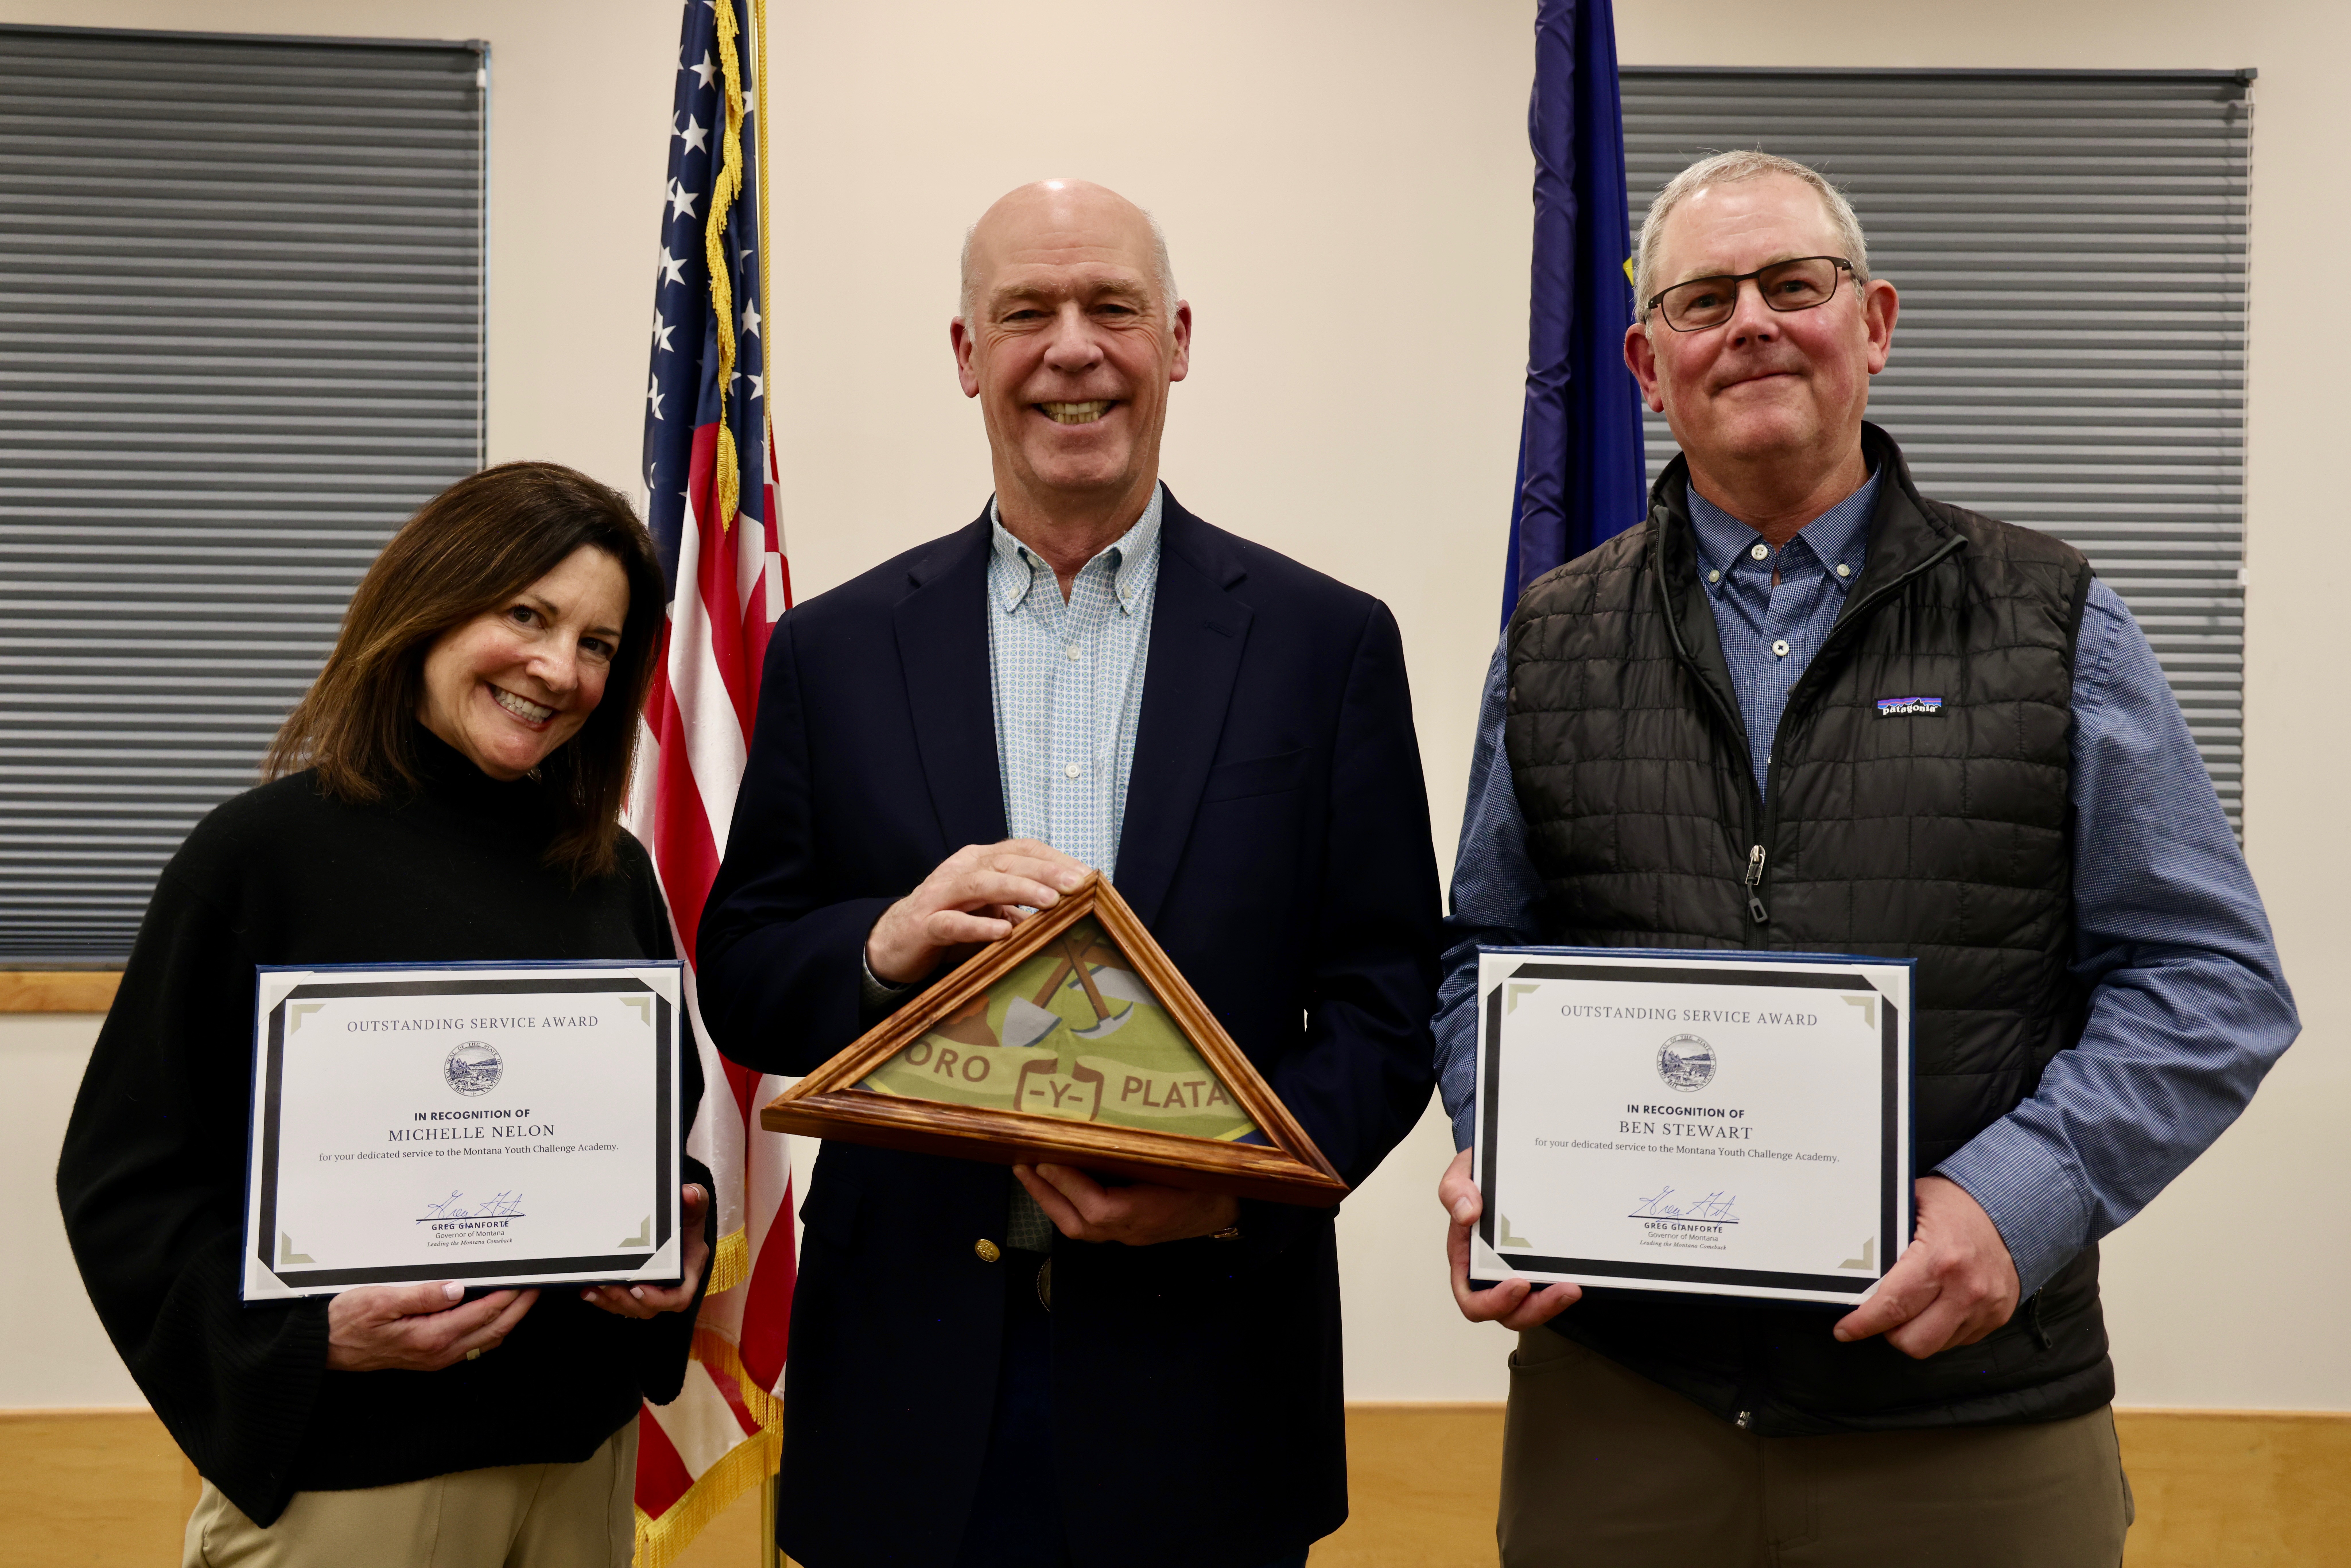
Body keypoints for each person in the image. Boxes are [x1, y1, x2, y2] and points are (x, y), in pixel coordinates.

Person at [1433, 151, 2298, 1565]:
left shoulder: (2055, 621)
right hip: (1623, 1416)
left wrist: (2010, 1203)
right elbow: (1478, 949)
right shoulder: (1551, 635)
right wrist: (1499, 1142)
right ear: (1647, 364)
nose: (1753, 323)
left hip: (1968, 1419)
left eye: (1794, 284)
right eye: (1703, 300)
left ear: (1875, 323)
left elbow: (2208, 984)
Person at [697, 179, 1441, 1568]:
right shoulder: (836, 652)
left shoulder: (1322, 642)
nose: (1071, 346)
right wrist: (880, 944)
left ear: (1175, 338)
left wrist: (1234, 1184)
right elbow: (743, 971)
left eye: (1110, 306)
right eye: (1024, 312)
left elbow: (1389, 997)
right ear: (968, 355)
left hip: (1211, 1373)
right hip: (905, 1389)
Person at [57, 462, 717, 1568]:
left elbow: (659, 1131)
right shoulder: (258, 858)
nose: (558, 669)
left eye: (598, 644)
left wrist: (671, 1228)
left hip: (579, 1466)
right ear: (432, 601)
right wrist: (300, 1337)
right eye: (527, 615)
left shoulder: (609, 872)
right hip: (356, 1483)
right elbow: (127, 1184)